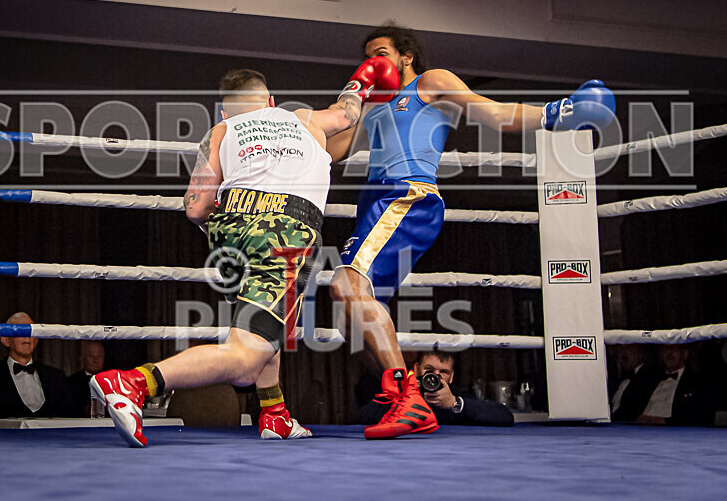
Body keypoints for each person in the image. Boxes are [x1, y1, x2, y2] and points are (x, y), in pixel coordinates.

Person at [329, 24, 616, 439]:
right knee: (350, 320)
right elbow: (333, 152)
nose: (373, 62)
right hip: (373, 205)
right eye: (367, 56)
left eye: (381, 53)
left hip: (407, 195)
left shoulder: (431, 83)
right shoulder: (376, 102)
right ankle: (401, 398)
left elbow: (494, 113)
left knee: (345, 285)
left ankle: (408, 399)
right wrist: (351, 96)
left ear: (406, 56)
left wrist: (561, 111)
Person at [91, 67, 389, 447]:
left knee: (264, 328)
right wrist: (362, 80)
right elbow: (348, 113)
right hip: (286, 231)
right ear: (270, 101)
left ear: (225, 112)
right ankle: (133, 382)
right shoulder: (303, 119)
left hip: (230, 232)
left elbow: (196, 207)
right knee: (247, 356)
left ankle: (275, 413)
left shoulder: (221, 132)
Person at [358, 350, 514, 426]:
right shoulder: (404, 391)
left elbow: (505, 416)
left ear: (451, 377)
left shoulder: (457, 395)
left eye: (443, 372)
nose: (435, 377)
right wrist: (401, 395)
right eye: (429, 370)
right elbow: (360, 417)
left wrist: (454, 404)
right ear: (417, 369)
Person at [0, 312, 73, 420]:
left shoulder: (57, 377)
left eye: (31, 331)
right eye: (20, 331)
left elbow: (69, 419)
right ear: (6, 340)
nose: (27, 336)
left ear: (37, 339)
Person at [635, 344, 714, 426]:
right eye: (665, 349)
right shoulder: (649, 379)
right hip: (640, 428)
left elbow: (701, 416)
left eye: (673, 348)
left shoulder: (697, 382)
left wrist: (664, 421)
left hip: (671, 431)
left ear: (685, 354)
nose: (669, 352)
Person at [610, 344, 657, 421]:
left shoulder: (647, 377)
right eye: (621, 349)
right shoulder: (619, 378)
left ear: (640, 353)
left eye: (626, 348)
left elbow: (632, 411)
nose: (622, 352)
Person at [68, 340, 105, 417]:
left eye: (99, 356)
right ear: (83, 359)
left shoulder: (112, 381)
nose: (96, 360)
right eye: (91, 356)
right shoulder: (71, 382)